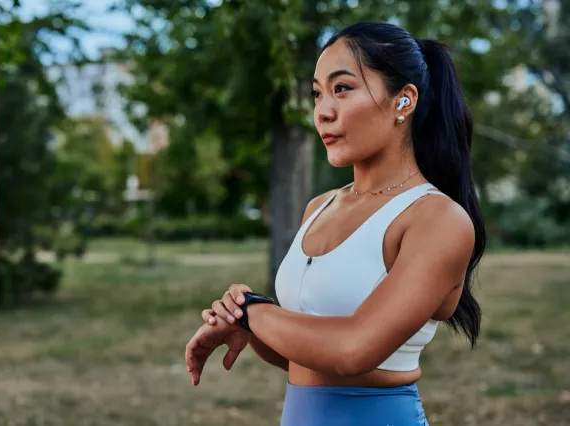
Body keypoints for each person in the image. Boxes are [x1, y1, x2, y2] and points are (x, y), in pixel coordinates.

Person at [185, 21, 485, 426]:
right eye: (316, 93)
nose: (322, 111)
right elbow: (306, 358)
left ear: (404, 100)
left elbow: (352, 350)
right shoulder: (319, 208)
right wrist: (248, 328)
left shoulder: (437, 219)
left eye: (342, 88)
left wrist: (253, 312)